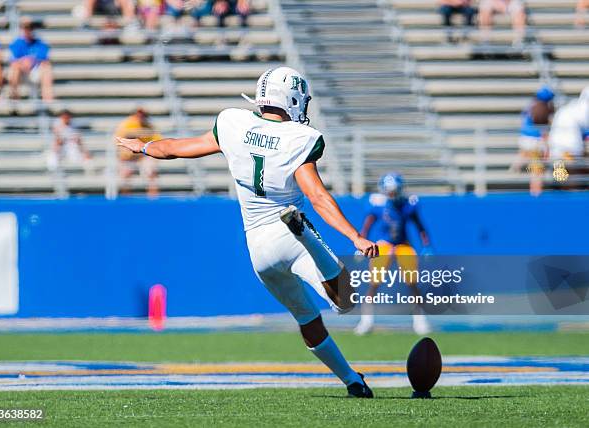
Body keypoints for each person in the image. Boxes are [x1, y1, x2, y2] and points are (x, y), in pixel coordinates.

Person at [117, 66, 379, 398]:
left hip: (258, 248)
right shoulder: (300, 139)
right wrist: (354, 236)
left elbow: (174, 148)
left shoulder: (233, 123)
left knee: (305, 318)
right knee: (345, 301)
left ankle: (351, 380)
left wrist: (141, 146)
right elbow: (317, 195)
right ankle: (306, 236)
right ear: (294, 100)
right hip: (289, 235)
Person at [354, 173, 432, 336]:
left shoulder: (408, 204)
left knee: (412, 283)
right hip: (384, 244)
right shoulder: (377, 204)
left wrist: (427, 245)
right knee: (374, 283)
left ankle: (420, 320)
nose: (393, 194)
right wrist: (360, 243)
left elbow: (420, 226)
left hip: (403, 244)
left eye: (395, 191)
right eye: (390, 191)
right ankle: (366, 321)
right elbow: (367, 226)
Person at [514, 86, 555, 196]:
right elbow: (542, 129)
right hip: (535, 142)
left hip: (525, 139)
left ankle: (516, 167)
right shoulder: (541, 108)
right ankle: (536, 192)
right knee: (537, 169)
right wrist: (547, 147)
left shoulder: (531, 105)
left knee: (527, 158)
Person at [548, 87, 589, 188]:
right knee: (570, 180)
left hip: (557, 149)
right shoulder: (582, 109)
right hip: (569, 149)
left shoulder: (570, 108)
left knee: (562, 178)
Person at [115, 107, 161, 197]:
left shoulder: (149, 125)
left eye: (143, 115)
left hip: (143, 155)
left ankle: (153, 197)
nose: (141, 117)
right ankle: (126, 197)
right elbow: (120, 139)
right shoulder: (126, 124)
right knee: (125, 175)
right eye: (139, 114)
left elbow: (157, 139)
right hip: (128, 156)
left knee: (151, 173)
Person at [9, 20, 54, 102]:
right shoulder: (17, 43)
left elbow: (45, 60)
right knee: (14, 67)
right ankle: (14, 99)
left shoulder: (40, 44)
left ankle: (48, 100)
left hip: (35, 72)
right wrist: (24, 63)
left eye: (30, 28)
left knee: (46, 68)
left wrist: (32, 61)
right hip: (21, 73)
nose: (28, 31)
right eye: (26, 28)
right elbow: (14, 60)